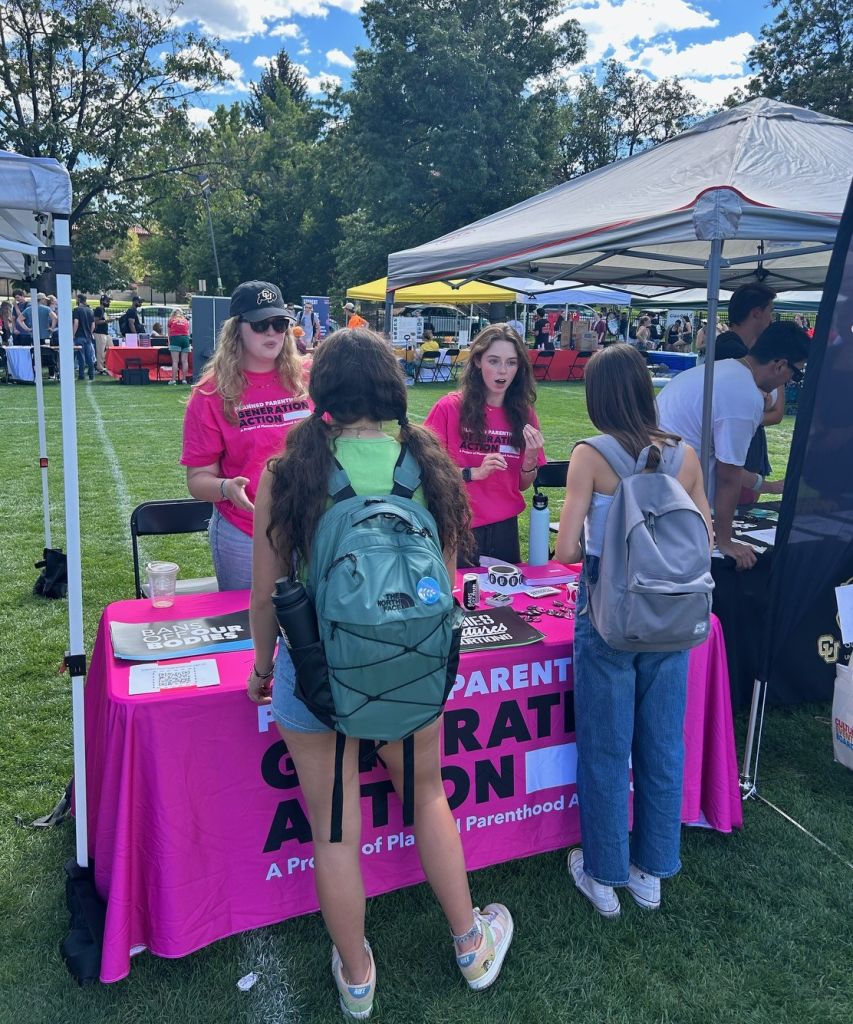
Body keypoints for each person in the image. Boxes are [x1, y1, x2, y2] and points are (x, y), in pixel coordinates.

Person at [248, 327, 513, 1018]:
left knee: (335, 829)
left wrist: (259, 666)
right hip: (410, 671)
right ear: (392, 390)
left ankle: (359, 976)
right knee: (428, 797)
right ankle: (469, 944)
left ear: (321, 391)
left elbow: (266, 594)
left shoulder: (288, 471)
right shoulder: (427, 463)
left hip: (317, 678)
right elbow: (447, 584)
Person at [555, 343, 713, 919]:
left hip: (609, 613)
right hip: (671, 612)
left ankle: (604, 873)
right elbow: (706, 537)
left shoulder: (590, 455)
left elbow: (568, 548)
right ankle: (653, 870)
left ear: (596, 397)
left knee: (605, 745)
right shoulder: (685, 456)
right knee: (662, 742)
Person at [181, 281, 310, 590]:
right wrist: (226, 488)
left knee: (313, 630)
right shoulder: (210, 394)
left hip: (311, 526)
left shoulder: (310, 376)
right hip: (245, 532)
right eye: (261, 324)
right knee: (249, 629)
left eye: (280, 324)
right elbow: (198, 479)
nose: (272, 332)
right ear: (236, 330)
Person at [657, 322, 809, 570]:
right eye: (797, 373)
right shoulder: (743, 395)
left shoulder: (723, 372)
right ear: (780, 365)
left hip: (659, 493)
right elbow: (727, 476)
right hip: (675, 507)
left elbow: (721, 462)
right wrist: (725, 542)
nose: (792, 380)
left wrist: (768, 486)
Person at [424, 323, 546, 564]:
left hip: (504, 530)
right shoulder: (448, 408)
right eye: (494, 361)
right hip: (457, 527)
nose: (502, 371)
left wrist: (531, 457)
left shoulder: (525, 415)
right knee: (459, 599)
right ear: (478, 361)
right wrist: (473, 473)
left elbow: (522, 485)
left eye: (511, 363)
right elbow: (426, 473)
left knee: (507, 600)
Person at [714, 283, 776, 361]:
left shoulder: (726, 345)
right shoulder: (734, 353)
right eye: (770, 312)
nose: (771, 319)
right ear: (756, 313)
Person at [73, 294, 96, 381]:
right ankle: (91, 374)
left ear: (79, 300)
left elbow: (76, 323)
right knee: (89, 356)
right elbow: (93, 325)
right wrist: (90, 333)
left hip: (79, 335)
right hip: (88, 337)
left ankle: (81, 375)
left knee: (81, 356)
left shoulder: (76, 310)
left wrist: (73, 334)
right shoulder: (90, 310)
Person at [167, 309, 191, 384]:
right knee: (185, 361)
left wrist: (169, 343)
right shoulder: (185, 321)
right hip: (185, 339)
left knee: (175, 361)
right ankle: (184, 380)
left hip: (175, 338)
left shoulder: (171, 320)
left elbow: (169, 334)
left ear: (173, 313)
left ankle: (173, 380)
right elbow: (187, 332)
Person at [93, 295, 111, 374]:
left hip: (105, 333)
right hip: (99, 332)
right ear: (103, 301)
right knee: (100, 351)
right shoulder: (99, 309)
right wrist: (106, 321)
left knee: (111, 348)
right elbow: (96, 321)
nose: (109, 302)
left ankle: (104, 364)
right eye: (107, 301)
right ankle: (99, 367)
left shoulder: (103, 310)